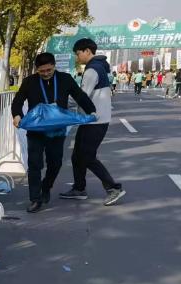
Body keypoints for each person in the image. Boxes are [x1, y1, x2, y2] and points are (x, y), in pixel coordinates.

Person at [12, 52, 96, 213]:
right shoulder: (30, 82)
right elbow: (18, 100)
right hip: (36, 130)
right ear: (37, 69)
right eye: (42, 71)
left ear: (54, 66)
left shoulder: (65, 79)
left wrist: (91, 111)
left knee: (55, 163)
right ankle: (35, 199)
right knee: (34, 164)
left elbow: (79, 96)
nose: (45, 74)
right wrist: (17, 115)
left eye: (48, 70)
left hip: (57, 130)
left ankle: (46, 186)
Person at [60, 38, 125, 206]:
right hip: (90, 120)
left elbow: (81, 96)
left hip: (96, 121)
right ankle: (79, 188)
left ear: (87, 51)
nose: (77, 57)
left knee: (87, 157)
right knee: (77, 156)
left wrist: (58, 103)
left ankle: (113, 187)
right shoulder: (99, 67)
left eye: (78, 53)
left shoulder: (92, 70)